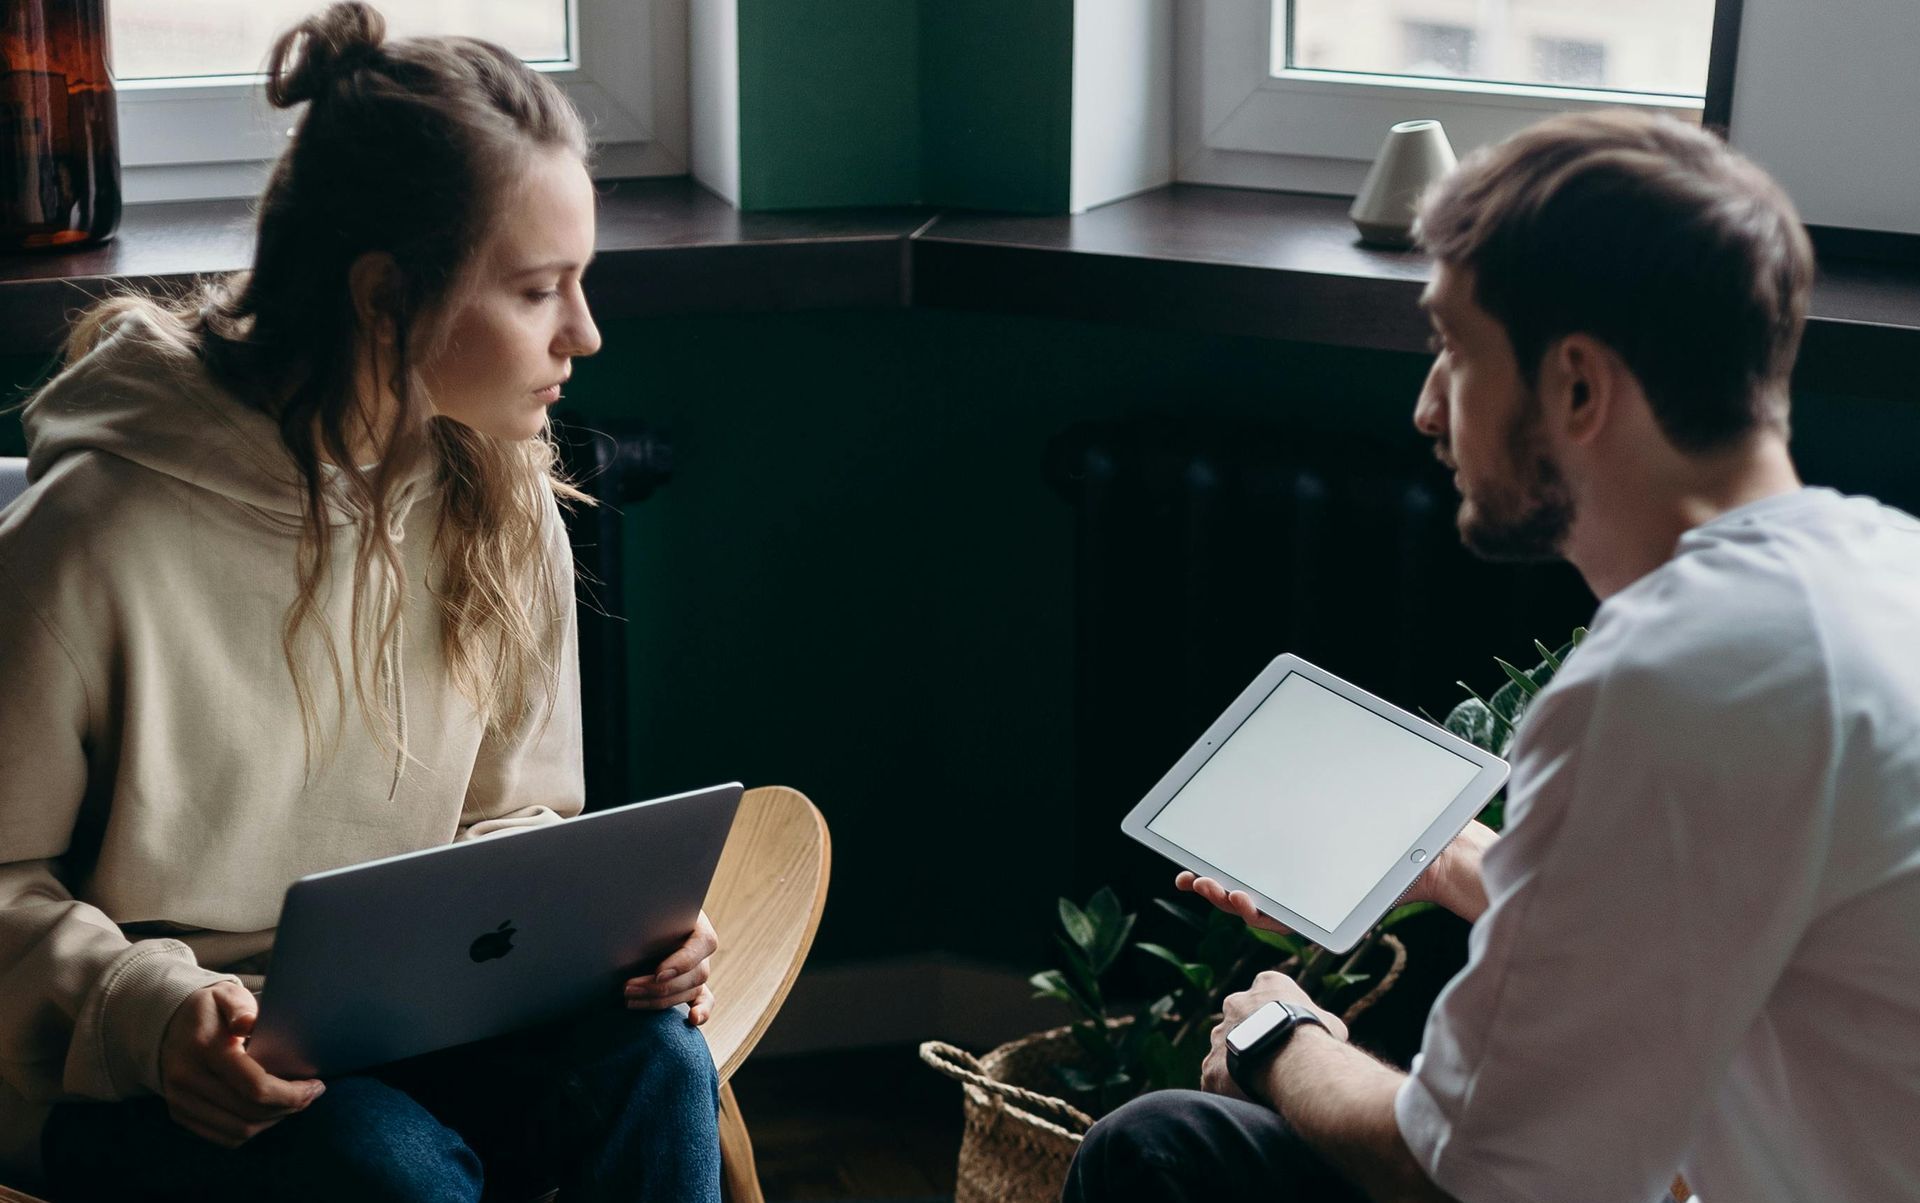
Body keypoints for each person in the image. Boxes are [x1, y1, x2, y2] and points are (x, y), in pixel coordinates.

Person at [1065, 110, 1920, 1203]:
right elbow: (1710, 925)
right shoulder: (1882, 573)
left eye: (1453, 351)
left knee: (1163, 1149)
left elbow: (1467, 1177)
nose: (1428, 410)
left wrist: (1282, 1038)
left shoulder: (1665, 680)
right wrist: (1448, 861)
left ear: (1575, 386)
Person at [0, 5, 724, 1200]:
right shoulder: (95, 535)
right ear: (387, 295)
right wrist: (153, 1017)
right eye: (540, 289)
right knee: (377, 1165)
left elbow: (514, 823)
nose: (583, 333)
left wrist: (614, 942)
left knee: (649, 1060)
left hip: (414, 1024)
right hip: (141, 1076)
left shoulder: (496, 486)